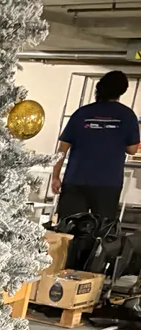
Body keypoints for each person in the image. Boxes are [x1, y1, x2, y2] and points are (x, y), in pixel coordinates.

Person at [51, 70, 141, 222]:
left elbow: (62, 149)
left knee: (69, 228)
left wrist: (55, 176)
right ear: (122, 91)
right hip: (108, 183)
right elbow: (132, 150)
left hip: (75, 180)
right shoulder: (128, 115)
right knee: (101, 229)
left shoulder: (81, 113)